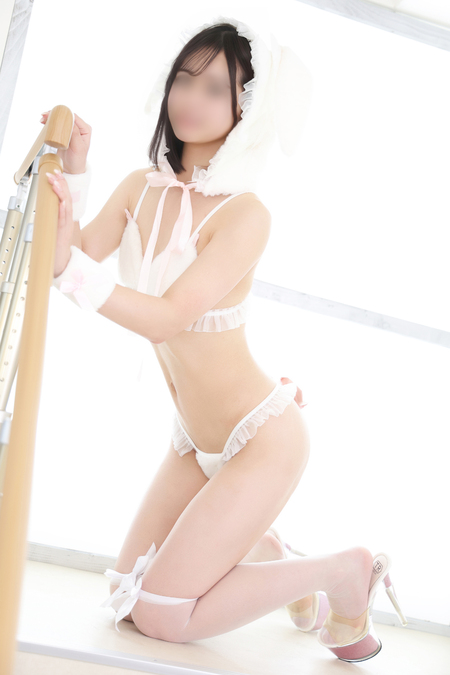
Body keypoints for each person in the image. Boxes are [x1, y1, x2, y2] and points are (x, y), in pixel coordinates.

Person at [46, 15, 407, 661]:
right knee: (126, 594)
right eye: (185, 79)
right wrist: (75, 171)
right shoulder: (139, 187)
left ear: (248, 109)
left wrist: (66, 270)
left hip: (261, 439)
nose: (191, 98)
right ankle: (265, 550)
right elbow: (76, 252)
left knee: (161, 614)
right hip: (194, 438)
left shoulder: (246, 214)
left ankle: (341, 571)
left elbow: (163, 315)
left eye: (216, 89)